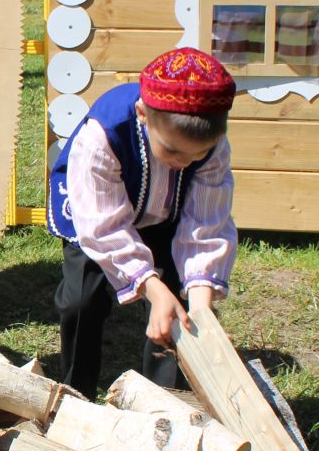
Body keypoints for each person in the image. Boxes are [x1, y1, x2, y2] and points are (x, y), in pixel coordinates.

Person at [47, 47, 239, 397]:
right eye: (173, 152)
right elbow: (104, 226)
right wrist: (150, 286)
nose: (184, 163)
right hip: (97, 215)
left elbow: (204, 225)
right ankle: (75, 392)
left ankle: (166, 403)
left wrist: (199, 308)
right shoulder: (103, 136)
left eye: (195, 155)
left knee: (178, 314)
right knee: (80, 301)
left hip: (167, 214)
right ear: (143, 114)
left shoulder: (211, 145)